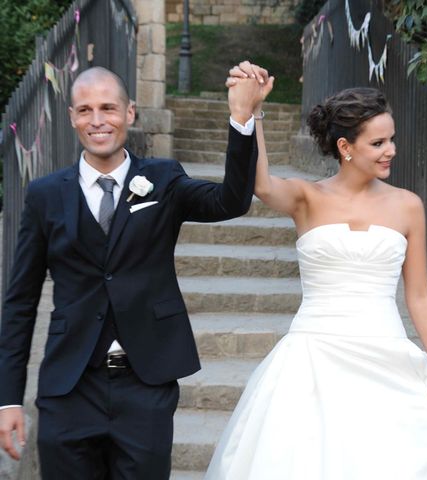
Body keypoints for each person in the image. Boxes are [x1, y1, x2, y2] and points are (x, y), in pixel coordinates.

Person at [0, 62, 268, 479]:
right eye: (85, 110)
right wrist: (8, 399)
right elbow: (20, 302)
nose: (97, 120)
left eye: (108, 108)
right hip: (69, 387)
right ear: (72, 117)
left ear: (129, 113)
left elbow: (231, 201)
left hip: (146, 383)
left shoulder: (163, 178)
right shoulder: (44, 195)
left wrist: (241, 118)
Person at [205, 73, 427, 478]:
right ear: (345, 147)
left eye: (391, 140)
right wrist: (254, 112)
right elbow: (260, 184)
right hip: (314, 355)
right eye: (378, 143)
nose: (390, 151)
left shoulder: (408, 206)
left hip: (386, 353)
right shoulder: (307, 197)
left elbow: (418, 295)